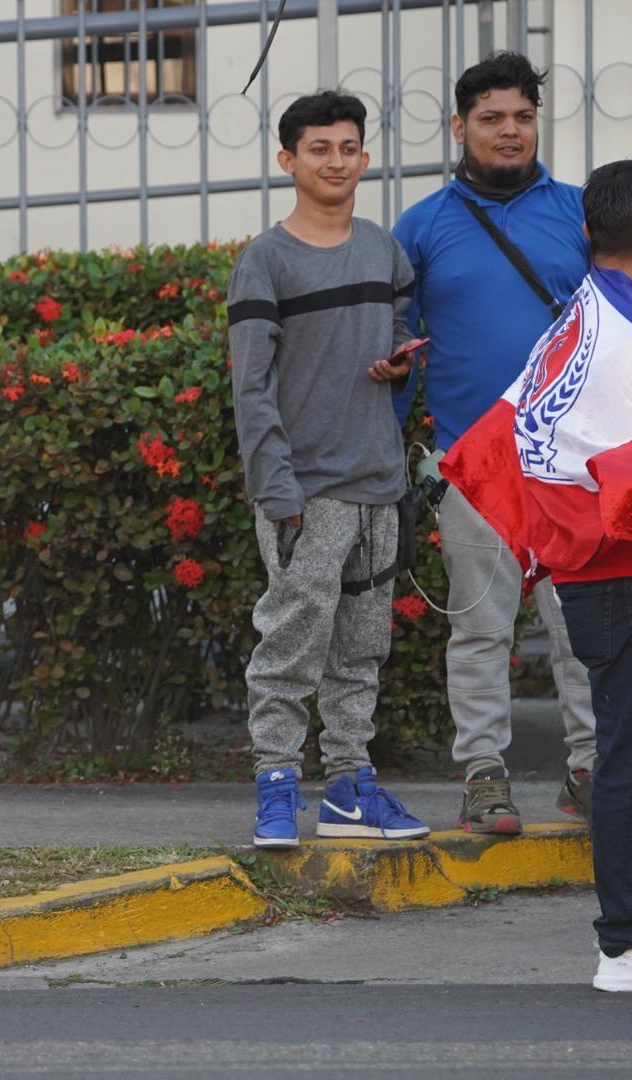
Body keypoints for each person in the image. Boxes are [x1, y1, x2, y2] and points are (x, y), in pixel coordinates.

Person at [442, 159, 632, 992]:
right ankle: (627, 941)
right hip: (619, 575)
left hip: (630, 572)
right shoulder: (618, 334)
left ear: (588, 233)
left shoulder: (590, 313)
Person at [390, 52, 598, 833]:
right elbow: (398, 350)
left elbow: (618, 339)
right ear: (460, 126)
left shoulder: (581, 213)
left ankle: (589, 771)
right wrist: (391, 453)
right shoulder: (422, 227)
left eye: (521, 116)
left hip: (569, 461)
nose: (509, 132)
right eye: (491, 118)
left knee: (581, 629)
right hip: (472, 468)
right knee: (480, 631)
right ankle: (483, 777)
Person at [230, 90, 431, 848]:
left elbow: (403, 334)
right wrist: (276, 491)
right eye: (319, 149)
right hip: (304, 495)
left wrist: (397, 365)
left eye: (348, 147)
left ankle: (350, 790)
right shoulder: (266, 260)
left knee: (361, 651)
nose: (336, 161)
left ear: (365, 158)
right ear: (288, 161)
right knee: (288, 646)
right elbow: (250, 388)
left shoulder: (384, 250)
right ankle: (277, 786)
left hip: (380, 485)